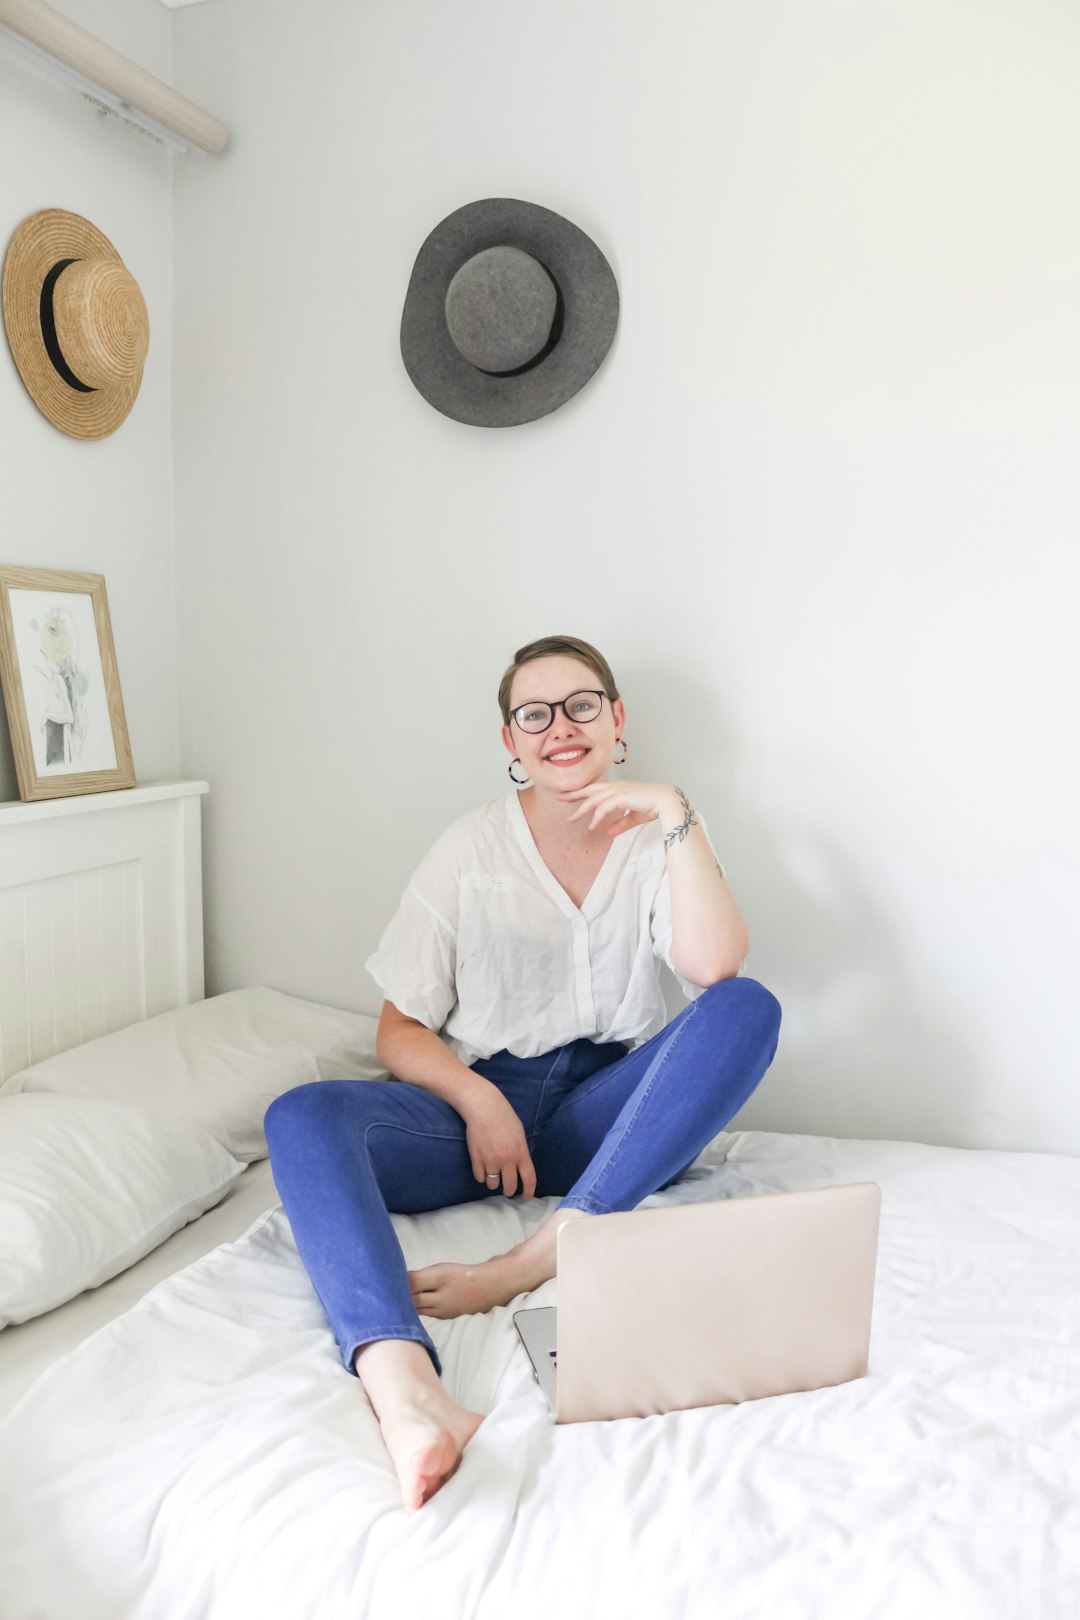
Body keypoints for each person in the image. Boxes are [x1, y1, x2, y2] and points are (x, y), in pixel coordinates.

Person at [265, 635, 782, 1514]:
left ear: (617, 720)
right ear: (512, 742)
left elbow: (716, 964)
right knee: (302, 1116)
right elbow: (400, 1026)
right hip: (478, 1125)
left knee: (748, 1007)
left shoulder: (658, 836)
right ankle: (404, 1385)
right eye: (532, 715)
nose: (559, 728)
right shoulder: (469, 849)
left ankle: (537, 1257)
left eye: (582, 705)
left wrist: (674, 810)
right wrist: (475, 1100)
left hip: (603, 1120)